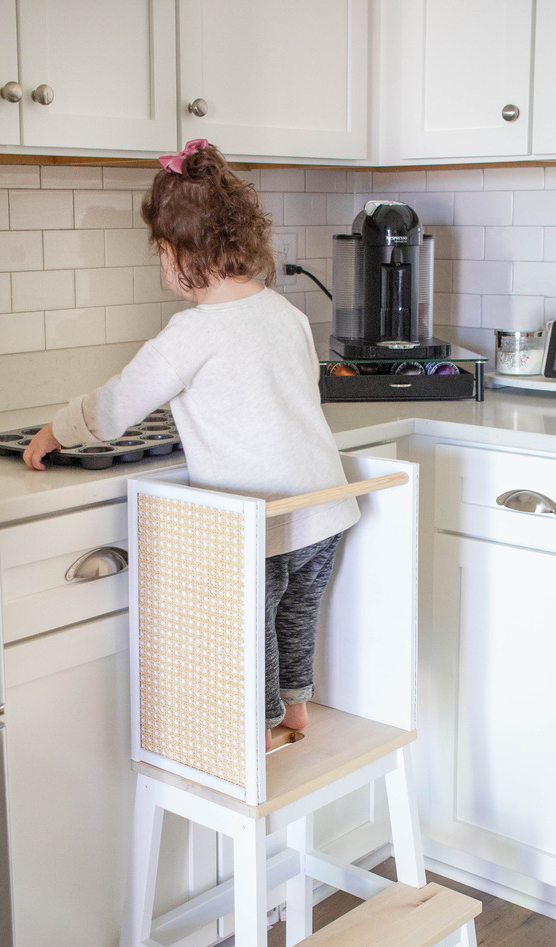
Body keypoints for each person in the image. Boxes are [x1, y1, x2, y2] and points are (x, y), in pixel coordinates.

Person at [23, 139, 359, 750]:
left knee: (249, 625)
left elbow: (117, 405)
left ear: (175, 254)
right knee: (294, 614)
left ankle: (253, 731)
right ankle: (295, 707)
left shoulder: (189, 334)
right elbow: (301, 389)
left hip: (265, 518)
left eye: (159, 252)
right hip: (326, 505)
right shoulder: (286, 313)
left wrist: (55, 430)